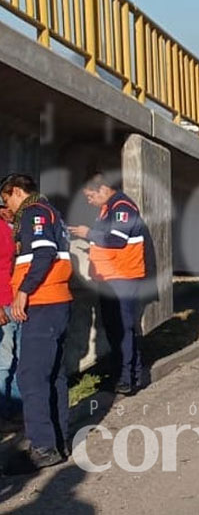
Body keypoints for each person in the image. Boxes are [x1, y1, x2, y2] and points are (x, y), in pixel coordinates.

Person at [1, 174, 72, 468]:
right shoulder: (50, 211)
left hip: (43, 304)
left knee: (30, 376)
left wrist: (23, 292)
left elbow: (44, 252)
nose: (8, 208)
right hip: (56, 303)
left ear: (17, 191)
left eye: (7, 200)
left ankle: (43, 448)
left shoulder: (34, 213)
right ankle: (58, 441)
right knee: (53, 375)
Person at [68, 174, 151, 395]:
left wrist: (89, 234)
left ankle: (129, 378)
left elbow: (117, 240)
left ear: (103, 189)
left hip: (123, 278)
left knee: (124, 329)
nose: (89, 201)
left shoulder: (122, 207)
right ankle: (122, 375)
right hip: (109, 280)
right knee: (115, 329)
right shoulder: (107, 210)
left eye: (90, 196)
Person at [0, 206, 20, 425]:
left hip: (14, 300)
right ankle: (5, 414)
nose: (8, 210)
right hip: (3, 301)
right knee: (4, 362)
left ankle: (15, 409)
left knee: (15, 360)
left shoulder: (9, 229)